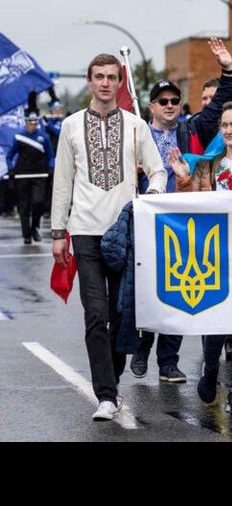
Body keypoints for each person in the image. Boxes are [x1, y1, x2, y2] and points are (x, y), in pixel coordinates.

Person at [51, 54, 167, 421]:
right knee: (95, 314)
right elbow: (62, 182)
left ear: (120, 82)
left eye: (111, 77)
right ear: (89, 80)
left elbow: (158, 170)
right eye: (98, 76)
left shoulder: (136, 126)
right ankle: (105, 394)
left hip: (124, 230)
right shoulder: (70, 126)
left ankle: (111, 382)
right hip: (84, 230)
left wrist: (152, 197)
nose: (104, 82)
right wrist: (58, 232)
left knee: (120, 316)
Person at [130, 38, 232, 384]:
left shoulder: (192, 128)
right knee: (149, 289)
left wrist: (227, 70)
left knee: (177, 288)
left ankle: (169, 362)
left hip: (183, 218)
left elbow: (221, 103)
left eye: (175, 100)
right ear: (151, 106)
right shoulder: (137, 134)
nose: (171, 106)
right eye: (163, 101)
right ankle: (142, 348)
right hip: (146, 219)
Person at [170, 102, 232, 415]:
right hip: (211, 258)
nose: (228, 130)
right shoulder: (206, 167)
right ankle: (211, 368)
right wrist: (184, 179)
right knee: (215, 321)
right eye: (224, 125)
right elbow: (189, 209)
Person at [7, 112, 55, 244]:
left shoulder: (43, 137)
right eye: (31, 123)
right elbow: (9, 156)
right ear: (26, 122)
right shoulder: (19, 137)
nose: (33, 125)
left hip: (39, 175)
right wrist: (10, 169)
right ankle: (26, 234)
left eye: (35, 123)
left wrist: (51, 167)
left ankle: (34, 228)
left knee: (38, 202)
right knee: (24, 206)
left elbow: (51, 156)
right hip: (22, 175)